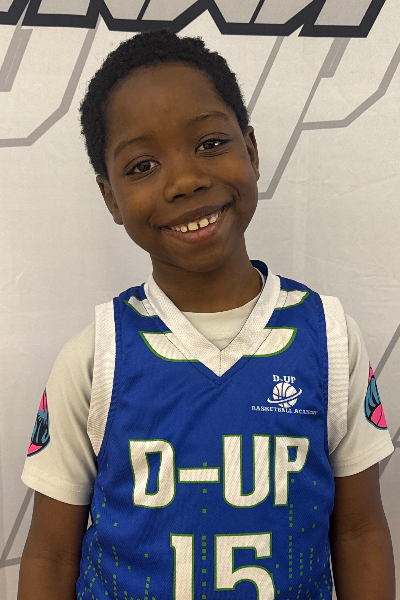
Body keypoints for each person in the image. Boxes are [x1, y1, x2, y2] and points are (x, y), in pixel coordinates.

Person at [18, 30, 395, 600]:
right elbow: (50, 555)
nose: (185, 180)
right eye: (143, 165)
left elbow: (361, 532)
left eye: (211, 143)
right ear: (111, 197)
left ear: (252, 151)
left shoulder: (328, 337)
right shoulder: (97, 357)